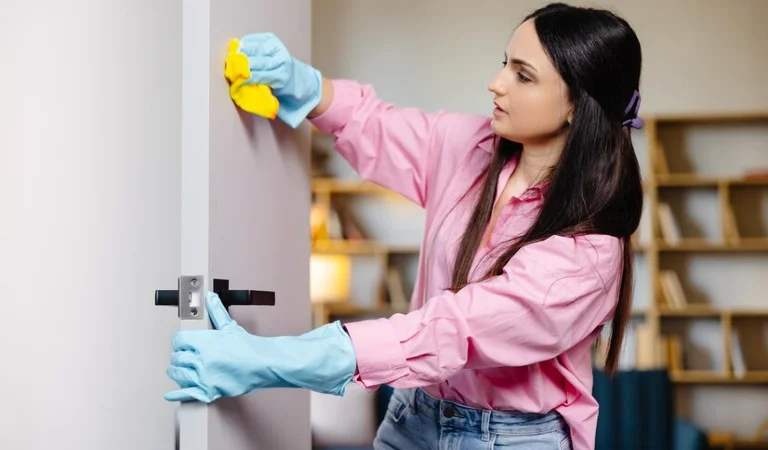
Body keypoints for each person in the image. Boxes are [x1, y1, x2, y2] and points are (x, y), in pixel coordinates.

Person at [164, 3, 645, 449]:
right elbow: (375, 125)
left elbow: (447, 333)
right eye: (505, 63)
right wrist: (305, 85)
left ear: (577, 107)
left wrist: (267, 361)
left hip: (512, 439)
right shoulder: (471, 146)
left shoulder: (588, 256)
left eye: (522, 75)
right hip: (413, 417)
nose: (496, 83)